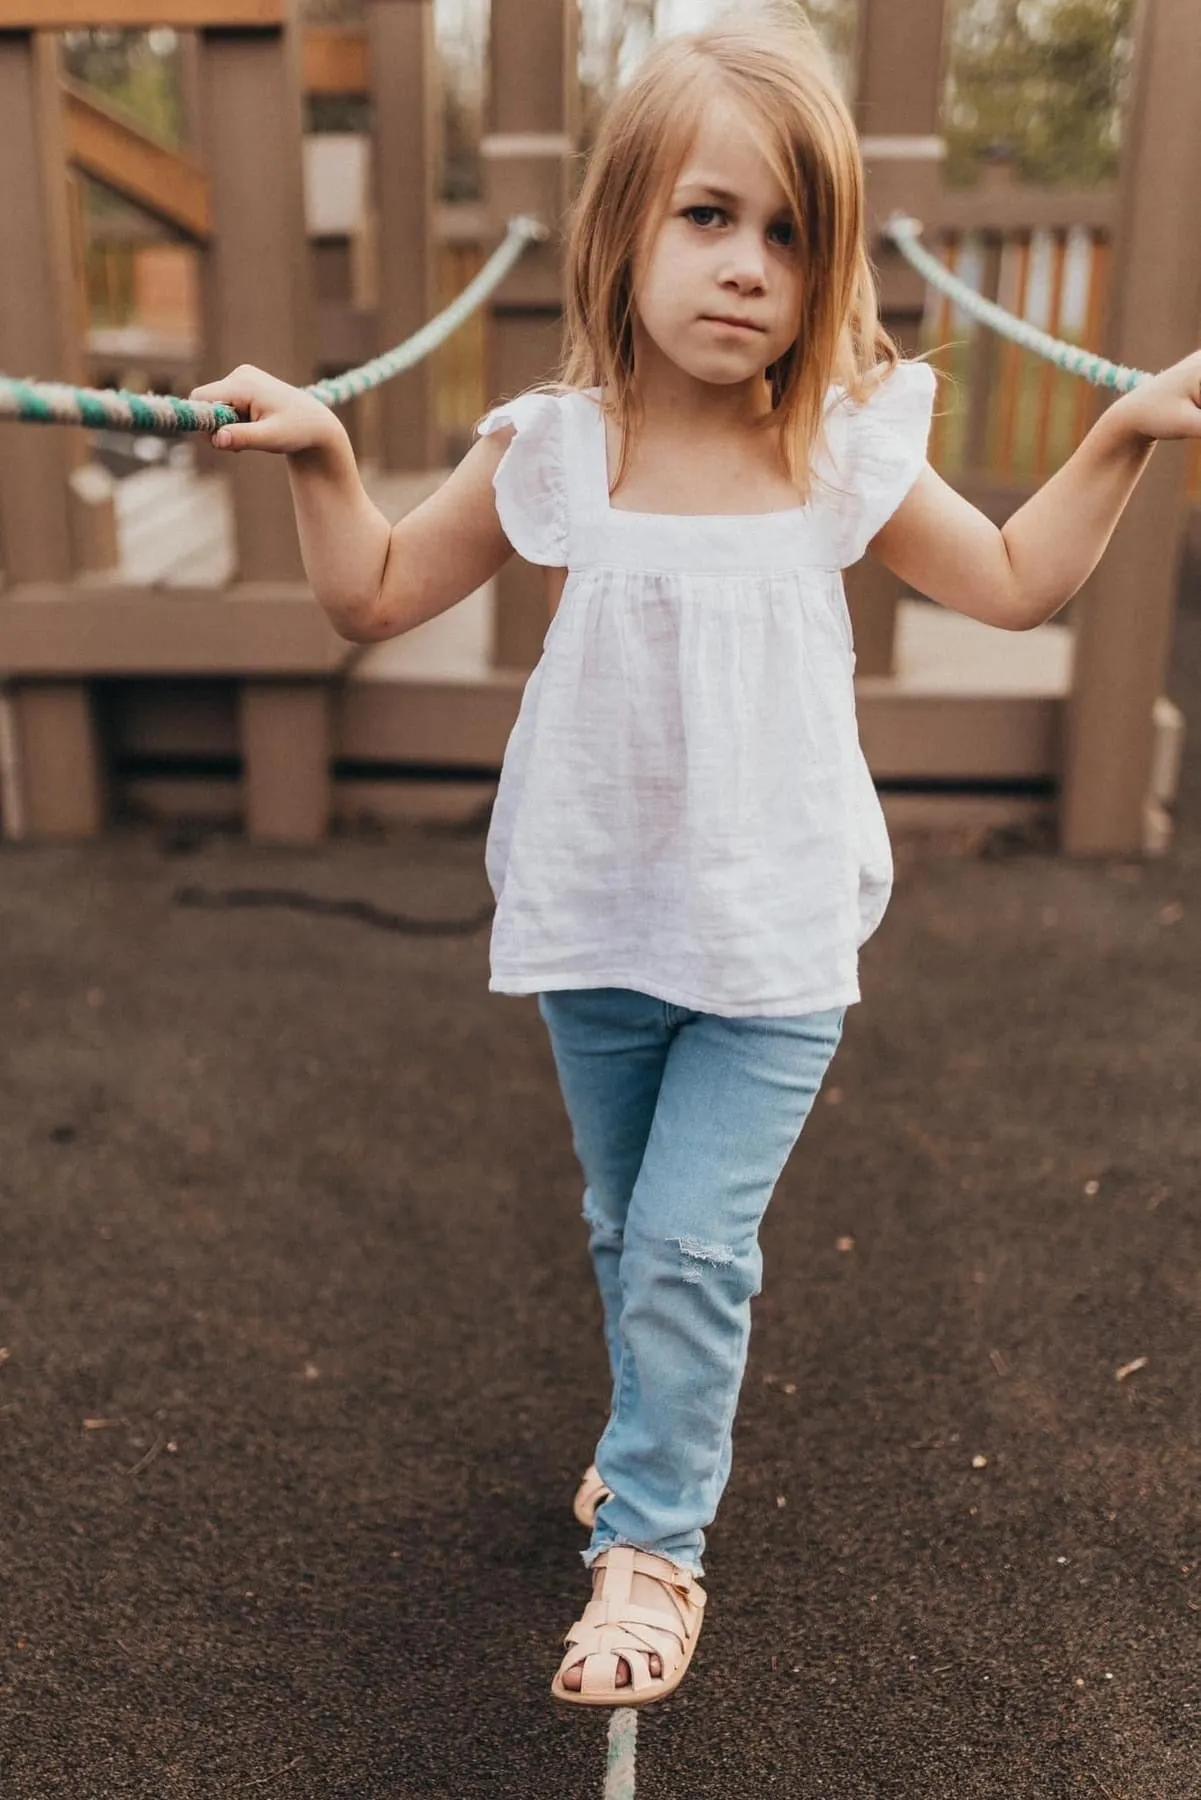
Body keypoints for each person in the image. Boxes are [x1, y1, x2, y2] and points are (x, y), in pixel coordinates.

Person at [189, 4, 1200, 1712]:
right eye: (708, 217)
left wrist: (1123, 435)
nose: (748, 267)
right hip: (597, 921)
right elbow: (366, 597)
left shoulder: (839, 452)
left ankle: (656, 1542)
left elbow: (1023, 582)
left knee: (685, 1244)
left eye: (790, 233)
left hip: (774, 942)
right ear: (622, 231)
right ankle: (651, 1439)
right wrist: (329, 456)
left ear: (827, 268)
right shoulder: (559, 449)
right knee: (625, 1222)